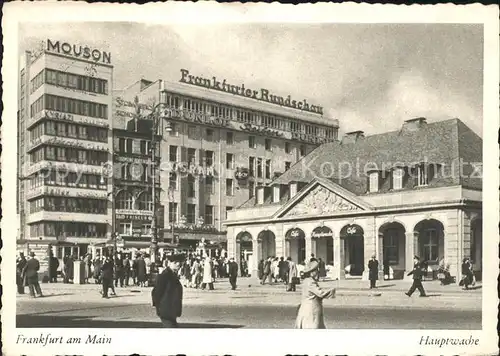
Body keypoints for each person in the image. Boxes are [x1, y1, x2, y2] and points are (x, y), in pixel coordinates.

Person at [295, 260, 335, 329]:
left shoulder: (305, 281)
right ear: (311, 273)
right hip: (311, 310)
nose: (317, 272)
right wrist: (332, 291)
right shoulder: (311, 282)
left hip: (305, 308)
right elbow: (321, 294)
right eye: (315, 271)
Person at [152, 259, 183, 328]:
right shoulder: (165, 275)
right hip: (166, 310)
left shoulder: (173, 275)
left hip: (171, 311)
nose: (178, 264)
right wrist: (158, 307)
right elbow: (156, 292)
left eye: (179, 262)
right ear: (169, 263)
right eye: (175, 262)